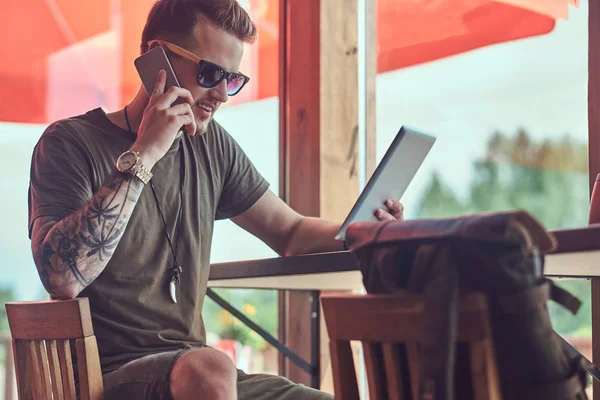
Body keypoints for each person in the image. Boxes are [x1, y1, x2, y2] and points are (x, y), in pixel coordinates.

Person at [27, 0, 404, 399]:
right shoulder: (68, 143)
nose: (223, 94)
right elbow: (62, 278)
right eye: (210, 74)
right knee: (208, 365)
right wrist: (145, 155)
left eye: (234, 80)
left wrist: (365, 231)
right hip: (102, 379)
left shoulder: (212, 147)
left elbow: (290, 231)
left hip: (200, 378)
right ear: (157, 58)